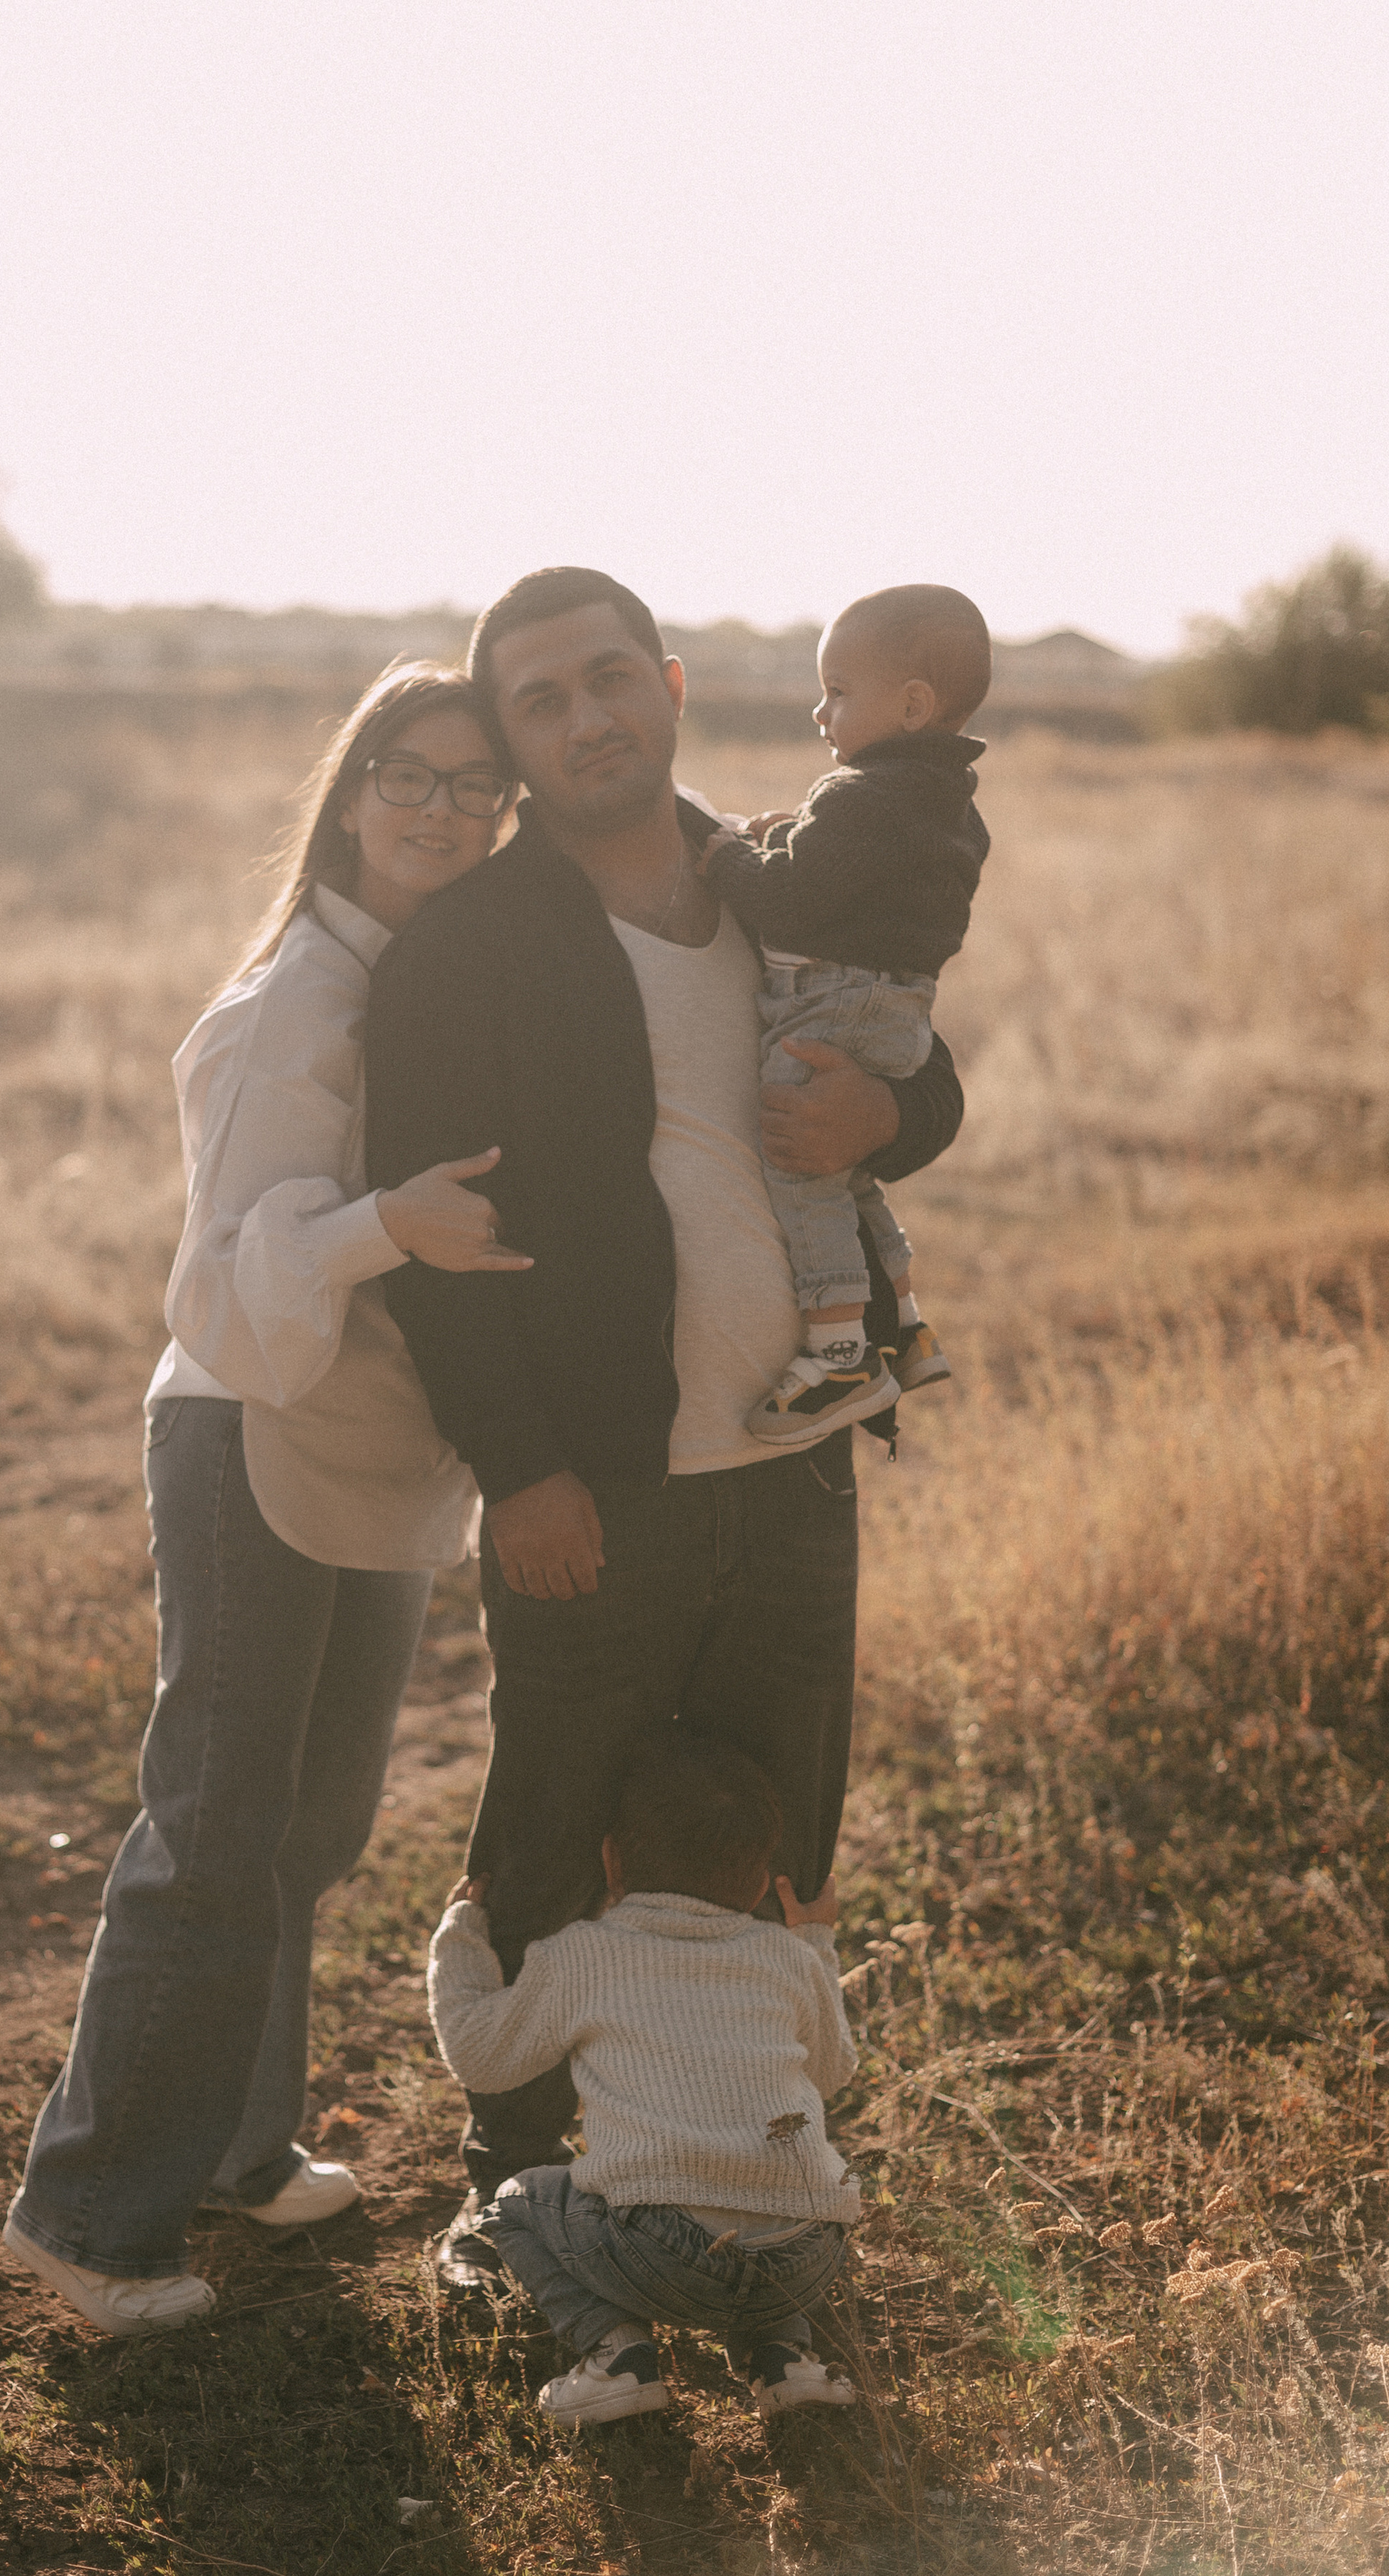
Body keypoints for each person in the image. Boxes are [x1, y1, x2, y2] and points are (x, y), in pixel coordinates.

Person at [365, 567, 963, 2288]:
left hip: (793, 1463)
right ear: (514, 736)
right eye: (538, 699)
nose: (582, 718)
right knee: (550, 1819)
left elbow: (907, 1054)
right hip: (596, 1483)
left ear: (674, 682)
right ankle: (516, 2181)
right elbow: (434, 1242)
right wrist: (520, 1465)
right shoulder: (471, 943)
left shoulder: (789, 876)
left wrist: (898, 1111)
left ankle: (751, 2152)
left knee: (779, 1826)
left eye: (607, 677)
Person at [4, 662, 528, 2336]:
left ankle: (231, 2147)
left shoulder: (420, 980)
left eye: (477, 786)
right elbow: (221, 1290)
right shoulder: (292, 1003)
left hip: (358, 1441)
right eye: (410, 774)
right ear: (353, 785)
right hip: (244, 1434)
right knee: (216, 1829)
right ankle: (90, 2216)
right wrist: (388, 1225)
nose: (443, 809)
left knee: (306, 1832)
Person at [426, 1725, 859, 2426]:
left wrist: (462, 1940)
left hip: (659, 2253)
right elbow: (832, 2072)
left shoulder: (585, 1955)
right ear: (759, 1878)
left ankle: (616, 2352)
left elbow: (482, 2057)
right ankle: (784, 2359)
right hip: (809, 2254)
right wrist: (815, 1942)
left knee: (510, 2199)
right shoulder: (788, 1958)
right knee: (769, 2197)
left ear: (609, 1860)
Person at [700, 584, 991, 1441]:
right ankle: (901, 1320)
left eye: (836, 690)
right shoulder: (948, 805)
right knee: (850, 1171)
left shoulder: (858, 795)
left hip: (834, 1002)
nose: (818, 710)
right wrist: (792, 836)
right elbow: (851, 879)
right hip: (897, 1007)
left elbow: (789, 901)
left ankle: (837, 1353)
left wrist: (728, 857)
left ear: (910, 706)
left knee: (801, 1165)